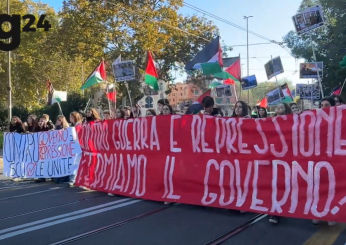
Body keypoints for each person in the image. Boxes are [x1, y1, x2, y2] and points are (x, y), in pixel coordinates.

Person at [269, 102, 292, 224]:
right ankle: (274, 210)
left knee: (281, 184)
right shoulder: (269, 122)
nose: (279, 107)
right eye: (277, 106)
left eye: (282, 106)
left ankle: (278, 210)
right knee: (272, 185)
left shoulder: (292, 122)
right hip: (270, 157)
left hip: (285, 158)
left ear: (286, 109)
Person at [52, 116, 70, 184]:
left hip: (64, 149)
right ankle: (57, 178)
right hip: (56, 149)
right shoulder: (55, 128)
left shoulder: (66, 129)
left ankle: (64, 178)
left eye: (59, 120)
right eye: (57, 120)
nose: (57, 122)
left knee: (63, 164)